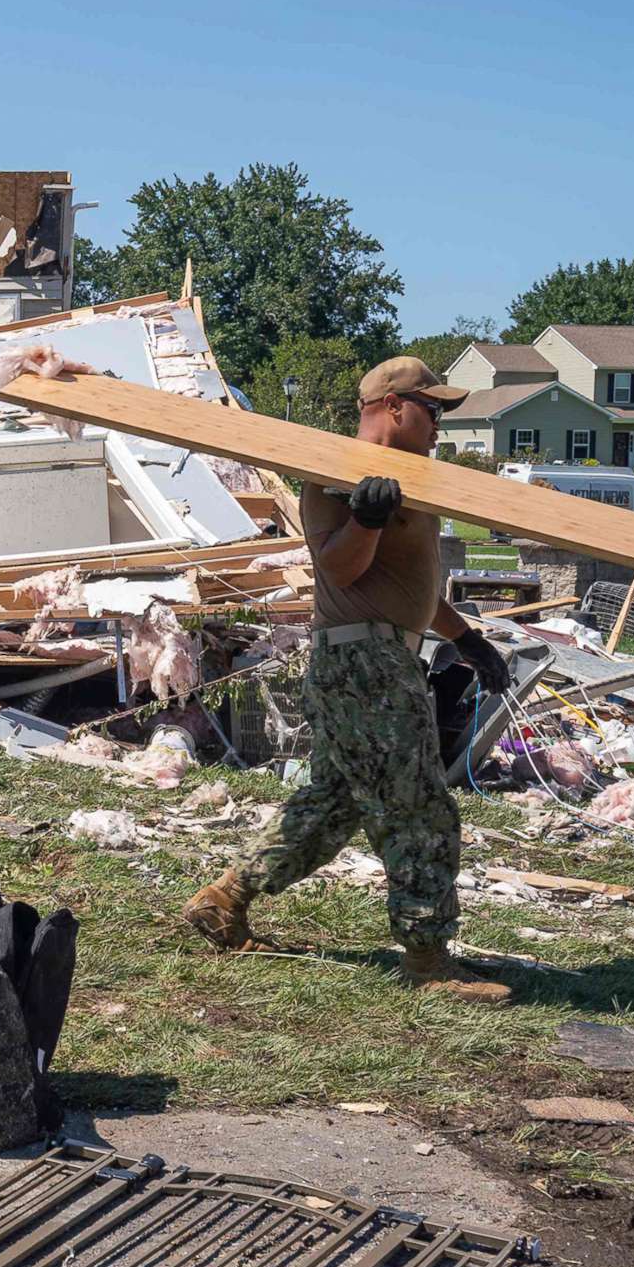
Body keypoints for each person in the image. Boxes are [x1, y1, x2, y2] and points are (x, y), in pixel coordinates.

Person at [181, 356, 517, 1004]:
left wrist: (467, 639)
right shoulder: (334, 471)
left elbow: (410, 585)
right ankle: (428, 959)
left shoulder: (412, 481)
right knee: (418, 805)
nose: (441, 424)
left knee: (329, 808)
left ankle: (225, 899)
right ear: (393, 406)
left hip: (378, 659)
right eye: (433, 408)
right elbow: (339, 568)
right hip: (365, 666)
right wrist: (364, 517)